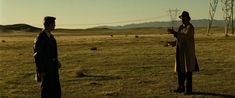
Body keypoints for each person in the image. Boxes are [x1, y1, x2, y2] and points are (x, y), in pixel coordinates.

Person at [168, 11, 199, 95]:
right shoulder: (181, 27)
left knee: (188, 71)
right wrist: (173, 43)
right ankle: (181, 87)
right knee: (180, 70)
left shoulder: (190, 27)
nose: (182, 19)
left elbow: (185, 36)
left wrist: (174, 33)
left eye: (183, 18)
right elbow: (179, 38)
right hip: (180, 52)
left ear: (187, 18)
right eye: (181, 18)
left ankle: (189, 89)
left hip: (188, 53)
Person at [33, 16, 61, 98]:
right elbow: (37, 56)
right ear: (48, 25)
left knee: (55, 89)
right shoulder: (41, 37)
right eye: (53, 24)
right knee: (46, 90)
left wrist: (56, 61)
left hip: (53, 68)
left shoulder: (51, 37)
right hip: (45, 69)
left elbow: (52, 53)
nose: (55, 26)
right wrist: (40, 71)